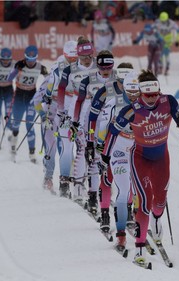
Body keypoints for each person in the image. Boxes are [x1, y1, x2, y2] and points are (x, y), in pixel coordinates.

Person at [100, 69, 179, 266]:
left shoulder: (168, 101)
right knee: (145, 202)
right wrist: (105, 155)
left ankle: (157, 222)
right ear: (140, 93)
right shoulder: (131, 110)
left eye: (154, 95)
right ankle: (139, 250)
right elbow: (112, 132)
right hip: (139, 158)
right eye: (147, 95)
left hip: (161, 159)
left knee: (160, 202)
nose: (151, 99)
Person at [87, 66, 139, 250]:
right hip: (114, 143)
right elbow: (98, 120)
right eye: (129, 90)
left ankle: (131, 214)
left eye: (136, 91)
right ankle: (108, 217)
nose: (133, 95)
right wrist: (95, 144)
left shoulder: (144, 101)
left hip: (136, 146)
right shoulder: (112, 97)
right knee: (112, 182)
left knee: (134, 185)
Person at [69, 50, 115, 215]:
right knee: (90, 156)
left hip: (111, 123)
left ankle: (108, 191)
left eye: (108, 68)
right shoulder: (88, 80)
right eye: (102, 68)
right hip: (91, 120)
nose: (105, 71)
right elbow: (79, 102)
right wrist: (75, 121)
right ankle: (88, 193)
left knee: (109, 159)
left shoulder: (118, 79)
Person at [32, 40, 78, 193]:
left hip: (66, 117)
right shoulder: (52, 75)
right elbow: (36, 101)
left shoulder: (78, 75)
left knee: (66, 148)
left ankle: (68, 180)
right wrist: (44, 117)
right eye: (70, 59)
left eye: (75, 58)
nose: (74, 62)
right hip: (51, 117)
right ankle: (48, 177)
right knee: (50, 149)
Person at [56, 36, 97, 197]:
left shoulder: (97, 66)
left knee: (91, 146)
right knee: (69, 147)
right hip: (74, 107)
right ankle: (65, 181)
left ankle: (89, 182)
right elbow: (60, 89)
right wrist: (60, 112)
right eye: (83, 57)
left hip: (95, 107)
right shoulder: (69, 69)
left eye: (90, 56)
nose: (87, 60)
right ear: (78, 55)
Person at [7, 45, 48, 163]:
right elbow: (9, 78)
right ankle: (13, 143)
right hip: (19, 96)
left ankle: (32, 152)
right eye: (28, 60)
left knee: (29, 124)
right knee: (16, 123)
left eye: (33, 60)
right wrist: (16, 70)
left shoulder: (41, 67)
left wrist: (46, 93)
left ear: (36, 58)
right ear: (25, 58)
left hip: (31, 97)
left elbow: (50, 80)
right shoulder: (20, 65)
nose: (30, 63)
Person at [154, 11, 179, 75]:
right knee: (160, 54)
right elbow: (154, 30)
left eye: (164, 21)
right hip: (160, 39)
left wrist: (177, 40)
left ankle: (167, 68)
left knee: (166, 54)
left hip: (168, 40)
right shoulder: (157, 22)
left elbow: (177, 31)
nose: (163, 22)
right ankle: (160, 67)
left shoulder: (172, 23)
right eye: (162, 20)